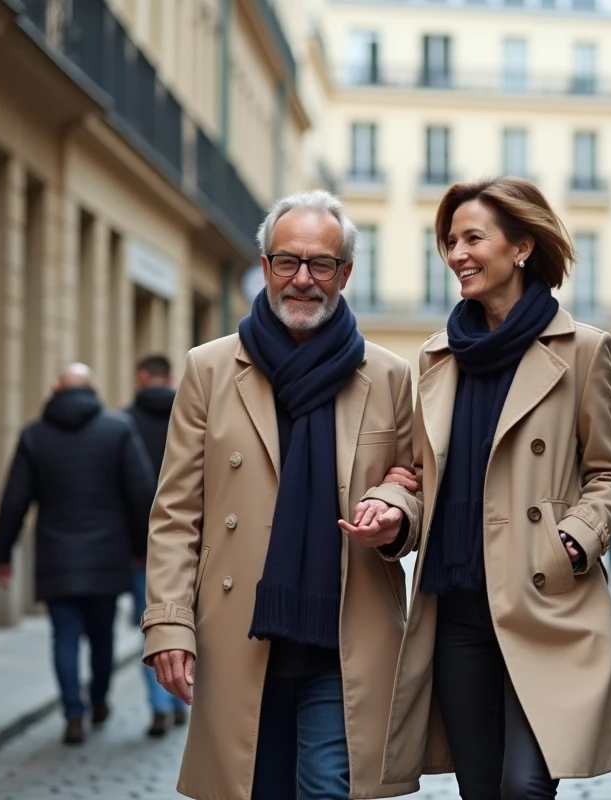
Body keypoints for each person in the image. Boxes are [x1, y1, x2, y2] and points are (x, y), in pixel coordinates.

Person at [139, 190, 423, 800]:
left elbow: (413, 490)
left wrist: (395, 516)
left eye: (321, 264)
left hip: (344, 634)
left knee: (328, 788)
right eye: (286, 261)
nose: (302, 279)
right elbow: (176, 513)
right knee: (255, 787)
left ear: (344, 274)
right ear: (264, 266)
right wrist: (167, 624)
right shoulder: (211, 369)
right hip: (240, 632)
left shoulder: (389, 375)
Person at [379, 177, 611, 799]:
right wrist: (395, 507)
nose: (456, 254)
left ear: (522, 247)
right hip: (457, 609)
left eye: (473, 237)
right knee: (480, 789)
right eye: (449, 241)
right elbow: (420, 479)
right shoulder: (436, 357)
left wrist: (576, 539)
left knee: (525, 786)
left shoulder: (582, 351)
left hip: (545, 600)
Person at [0, 363, 156, 745]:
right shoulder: (116, 429)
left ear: (55, 387)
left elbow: (14, 500)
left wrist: (2, 553)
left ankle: (73, 714)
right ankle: (98, 700)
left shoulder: (34, 435)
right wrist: (143, 548)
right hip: (107, 554)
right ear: (93, 388)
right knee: (102, 636)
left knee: (63, 636)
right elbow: (141, 493)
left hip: (56, 554)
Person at [124, 353, 189, 737]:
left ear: (143, 376)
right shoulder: (194, 411)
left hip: (141, 547)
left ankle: (159, 703)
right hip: (191, 541)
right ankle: (181, 698)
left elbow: (125, 490)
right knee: (188, 622)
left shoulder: (124, 422)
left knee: (152, 626)